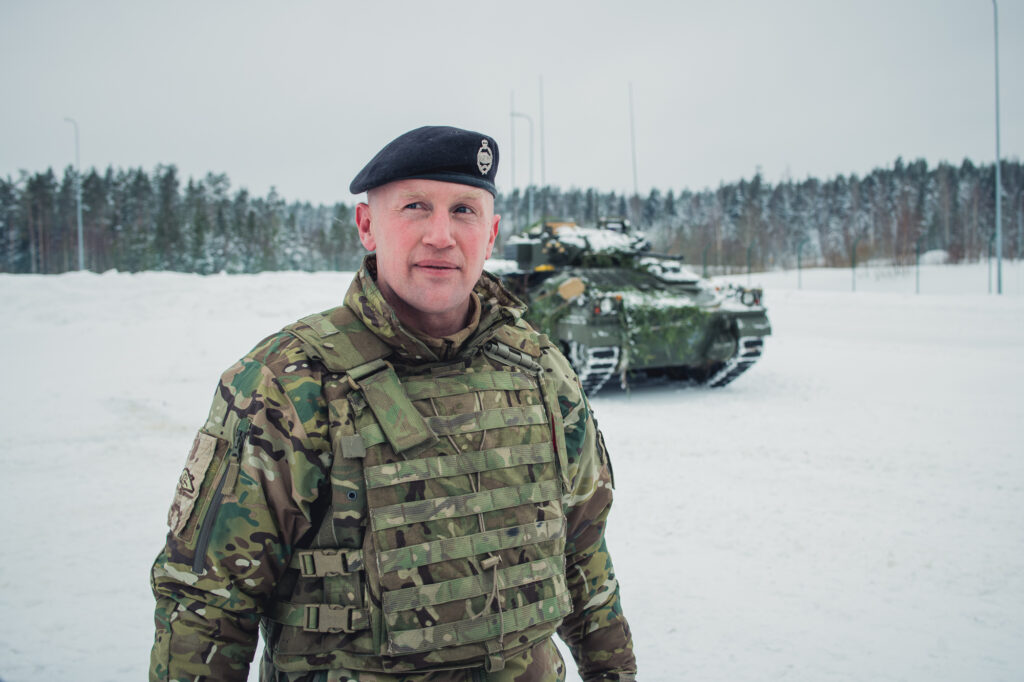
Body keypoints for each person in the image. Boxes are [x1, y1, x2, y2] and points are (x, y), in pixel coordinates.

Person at [150, 125, 637, 682]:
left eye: (464, 211)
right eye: (414, 207)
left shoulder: (540, 369)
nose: (441, 235)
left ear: (492, 233)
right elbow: (206, 606)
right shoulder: (289, 382)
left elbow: (584, 556)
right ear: (367, 226)